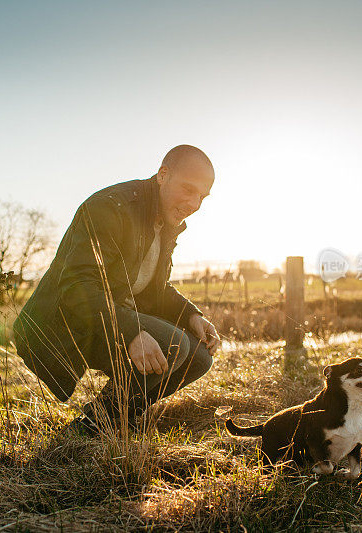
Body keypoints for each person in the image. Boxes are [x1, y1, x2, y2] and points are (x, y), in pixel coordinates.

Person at [13, 145, 220, 434]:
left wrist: (191, 316)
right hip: (64, 322)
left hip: (107, 317)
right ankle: (93, 427)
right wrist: (130, 330)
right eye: (188, 189)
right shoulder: (110, 207)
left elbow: (152, 288)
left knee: (200, 356)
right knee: (174, 344)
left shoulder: (165, 221)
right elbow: (77, 285)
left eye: (202, 196)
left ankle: (116, 417)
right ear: (162, 175)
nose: (194, 203)